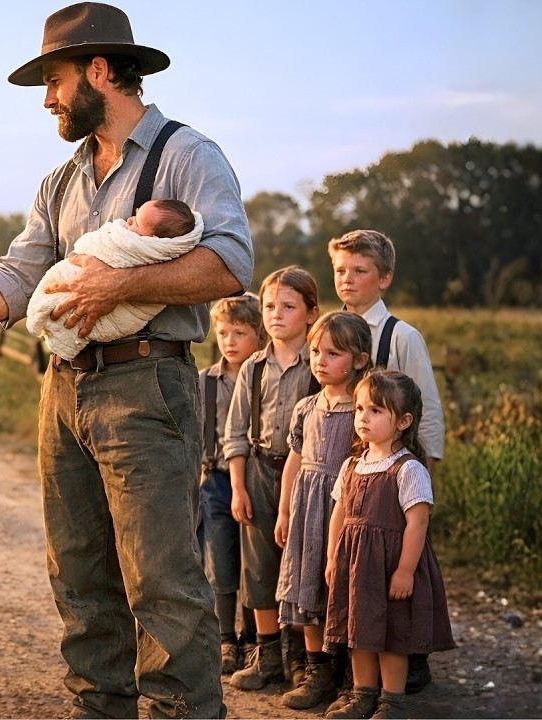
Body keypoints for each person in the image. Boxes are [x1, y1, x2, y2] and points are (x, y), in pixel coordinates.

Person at [0, 4, 253, 716]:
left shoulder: (186, 154)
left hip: (147, 385)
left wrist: (119, 283)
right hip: (63, 392)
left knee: (162, 586)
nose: (47, 99)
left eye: (55, 80)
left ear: (99, 71)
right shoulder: (60, 181)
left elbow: (231, 262)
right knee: (81, 583)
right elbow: (16, 276)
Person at [328, 228, 444, 696]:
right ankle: (351, 668)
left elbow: (428, 409)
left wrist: (425, 472)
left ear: (384, 278)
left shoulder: (401, 335)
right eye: (341, 271)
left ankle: (409, 663)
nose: (348, 280)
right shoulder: (334, 329)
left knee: (401, 568)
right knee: (353, 568)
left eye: (360, 271)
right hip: (348, 469)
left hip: (397, 474)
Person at [323, 370, 455, 719]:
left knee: (392, 635)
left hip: (391, 566)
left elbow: (418, 522)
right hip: (355, 567)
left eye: (376, 411)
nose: (363, 417)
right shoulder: (352, 465)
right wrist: (332, 558)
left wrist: (405, 571)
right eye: (360, 409)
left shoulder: (408, 469)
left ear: (403, 421)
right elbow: (338, 514)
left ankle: (391, 701)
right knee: (358, 631)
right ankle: (362, 694)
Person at [224, 265, 319, 692]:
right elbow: (236, 434)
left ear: (311, 313)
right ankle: (266, 657)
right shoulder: (253, 368)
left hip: (310, 476)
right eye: (268, 306)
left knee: (304, 565)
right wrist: (238, 486)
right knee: (259, 567)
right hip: (261, 470)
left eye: (288, 306)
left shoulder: (319, 364)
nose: (275, 315)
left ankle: (304, 661)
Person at [273, 311, 370, 710]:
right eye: (315, 351)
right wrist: (282, 512)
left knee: (342, 591)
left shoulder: (365, 410)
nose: (320, 360)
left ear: (359, 361)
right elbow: (294, 462)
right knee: (306, 586)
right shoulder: (306, 406)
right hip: (306, 510)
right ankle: (318, 673)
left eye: (333, 353)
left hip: (344, 512)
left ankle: (352, 679)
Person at [27, 198, 203, 361]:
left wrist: (114, 285)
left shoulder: (144, 248)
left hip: (142, 363)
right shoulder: (60, 180)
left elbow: (221, 263)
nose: (129, 221)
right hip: (65, 368)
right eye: (135, 214)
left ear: (153, 240)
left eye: (137, 222)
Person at [197, 294, 266, 676]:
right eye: (223, 333)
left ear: (259, 335)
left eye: (240, 332)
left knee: (253, 564)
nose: (229, 341)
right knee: (219, 560)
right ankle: (226, 638)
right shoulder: (205, 380)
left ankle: (255, 639)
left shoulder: (265, 377)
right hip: (215, 480)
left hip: (258, 480)